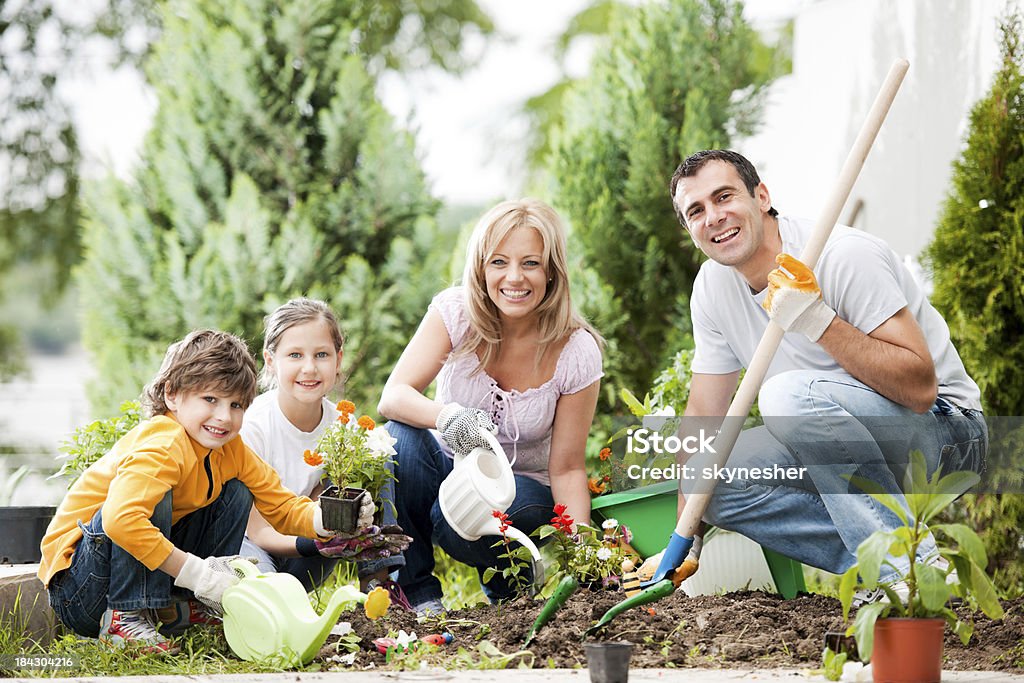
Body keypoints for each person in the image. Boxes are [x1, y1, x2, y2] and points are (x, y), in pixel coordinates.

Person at [650, 149, 986, 589]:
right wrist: (684, 538)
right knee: (707, 477)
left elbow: (921, 388)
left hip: (946, 434)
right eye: (696, 210)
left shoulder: (843, 256)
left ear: (762, 197)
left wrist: (817, 320)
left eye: (724, 196)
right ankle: (899, 570)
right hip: (839, 441)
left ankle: (900, 573)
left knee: (787, 398)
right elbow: (703, 415)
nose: (713, 216)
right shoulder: (713, 288)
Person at [39, 330, 368, 653]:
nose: (224, 417)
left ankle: (191, 608)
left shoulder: (230, 449)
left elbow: (281, 506)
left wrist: (334, 518)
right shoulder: (163, 441)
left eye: (236, 405)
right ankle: (125, 619)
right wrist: (198, 574)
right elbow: (120, 521)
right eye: (210, 399)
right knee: (149, 501)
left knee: (237, 491)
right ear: (172, 395)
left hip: (129, 571)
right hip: (82, 588)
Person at [378, 198, 604, 615]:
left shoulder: (577, 351)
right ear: (481, 268)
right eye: (499, 262)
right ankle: (418, 596)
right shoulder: (456, 312)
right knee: (398, 440)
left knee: (457, 521)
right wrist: (450, 418)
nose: (514, 277)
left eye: (531, 263)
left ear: (552, 271)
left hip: (519, 487)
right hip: (447, 464)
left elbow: (568, 468)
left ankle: (511, 590)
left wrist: (585, 558)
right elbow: (394, 396)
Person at [239, 298, 410, 603]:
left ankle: (378, 585)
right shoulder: (253, 426)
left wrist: (345, 534)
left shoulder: (342, 428)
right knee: (270, 603)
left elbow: (326, 498)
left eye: (321, 354)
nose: (309, 368)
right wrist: (318, 542)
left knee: (376, 450)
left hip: (310, 552)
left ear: (338, 359)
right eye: (295, 355)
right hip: (252, 548)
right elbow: (258, 531)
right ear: (270, 360)